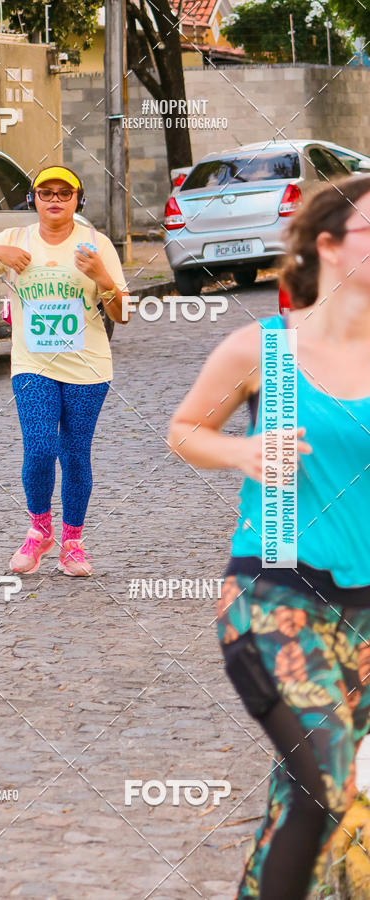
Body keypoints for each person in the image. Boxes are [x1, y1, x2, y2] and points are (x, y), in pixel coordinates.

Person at [168, 175, 370, 899]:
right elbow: (185, 431)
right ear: (327, 246)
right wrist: (245, 453)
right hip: (274, 591)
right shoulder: (265, 348)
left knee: (311, 797)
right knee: (327, 771)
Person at [0, 165, 130, 576]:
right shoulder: (13, 240)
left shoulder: (96, 244)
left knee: (76, 454)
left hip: (88, 366)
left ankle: (73, 543)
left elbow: (123, 313)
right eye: (46, 192)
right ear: (33, 200)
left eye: (65, 193)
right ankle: (39, 530)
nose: (55, 200)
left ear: (77, 201)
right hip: (32, 365)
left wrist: (102, 278)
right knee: (41, 447)